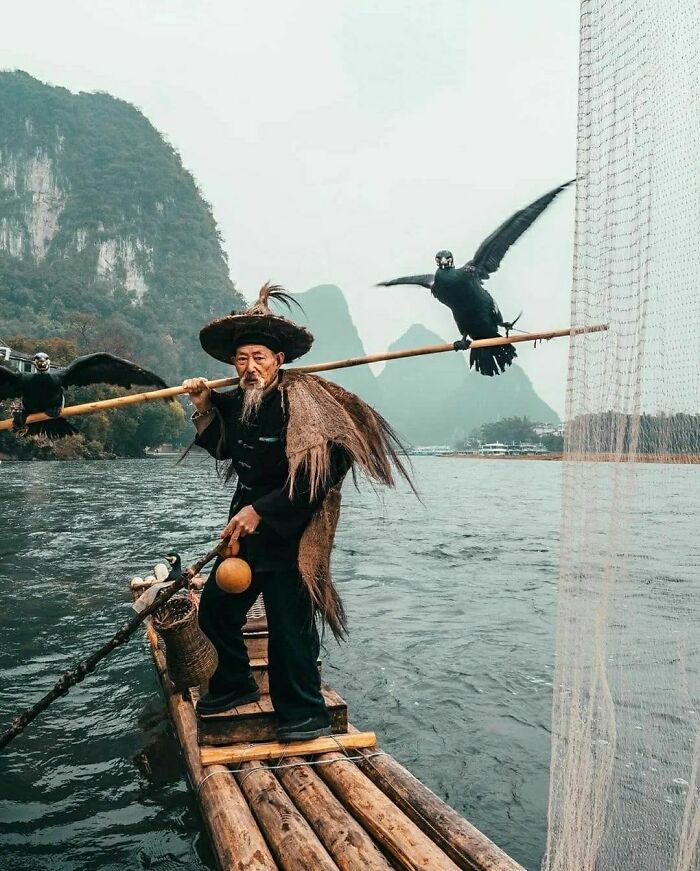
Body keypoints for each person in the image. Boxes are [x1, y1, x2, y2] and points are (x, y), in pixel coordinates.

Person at [184, 283, 411, 742]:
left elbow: (324, 470)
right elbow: (227, 450)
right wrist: (204, 407)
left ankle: (304, 713)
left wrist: (261, 511)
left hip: (293, 534)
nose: (250, 368)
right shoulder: (240, 399)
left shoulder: (307, 404)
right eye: (242, 359)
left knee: (290, 630)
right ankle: (234, 685)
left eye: (259, 358)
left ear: (279, 360)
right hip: (244, 534)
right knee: (214, 613)